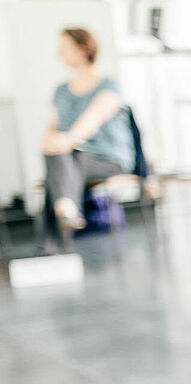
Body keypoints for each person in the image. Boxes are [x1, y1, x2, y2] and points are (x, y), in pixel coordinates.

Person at [41, 28, 134, 250]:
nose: (59, 53)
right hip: (72, 157)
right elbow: (51, 129)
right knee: (62, 157)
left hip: (108, 158)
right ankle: (66, 207)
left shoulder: (108, 86)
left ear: (83, 50)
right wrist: (49, 142)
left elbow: (90, 123)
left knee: (63, 160)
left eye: (64, 48)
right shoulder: (61, 91)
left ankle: (51, 249)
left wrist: (63, 142)